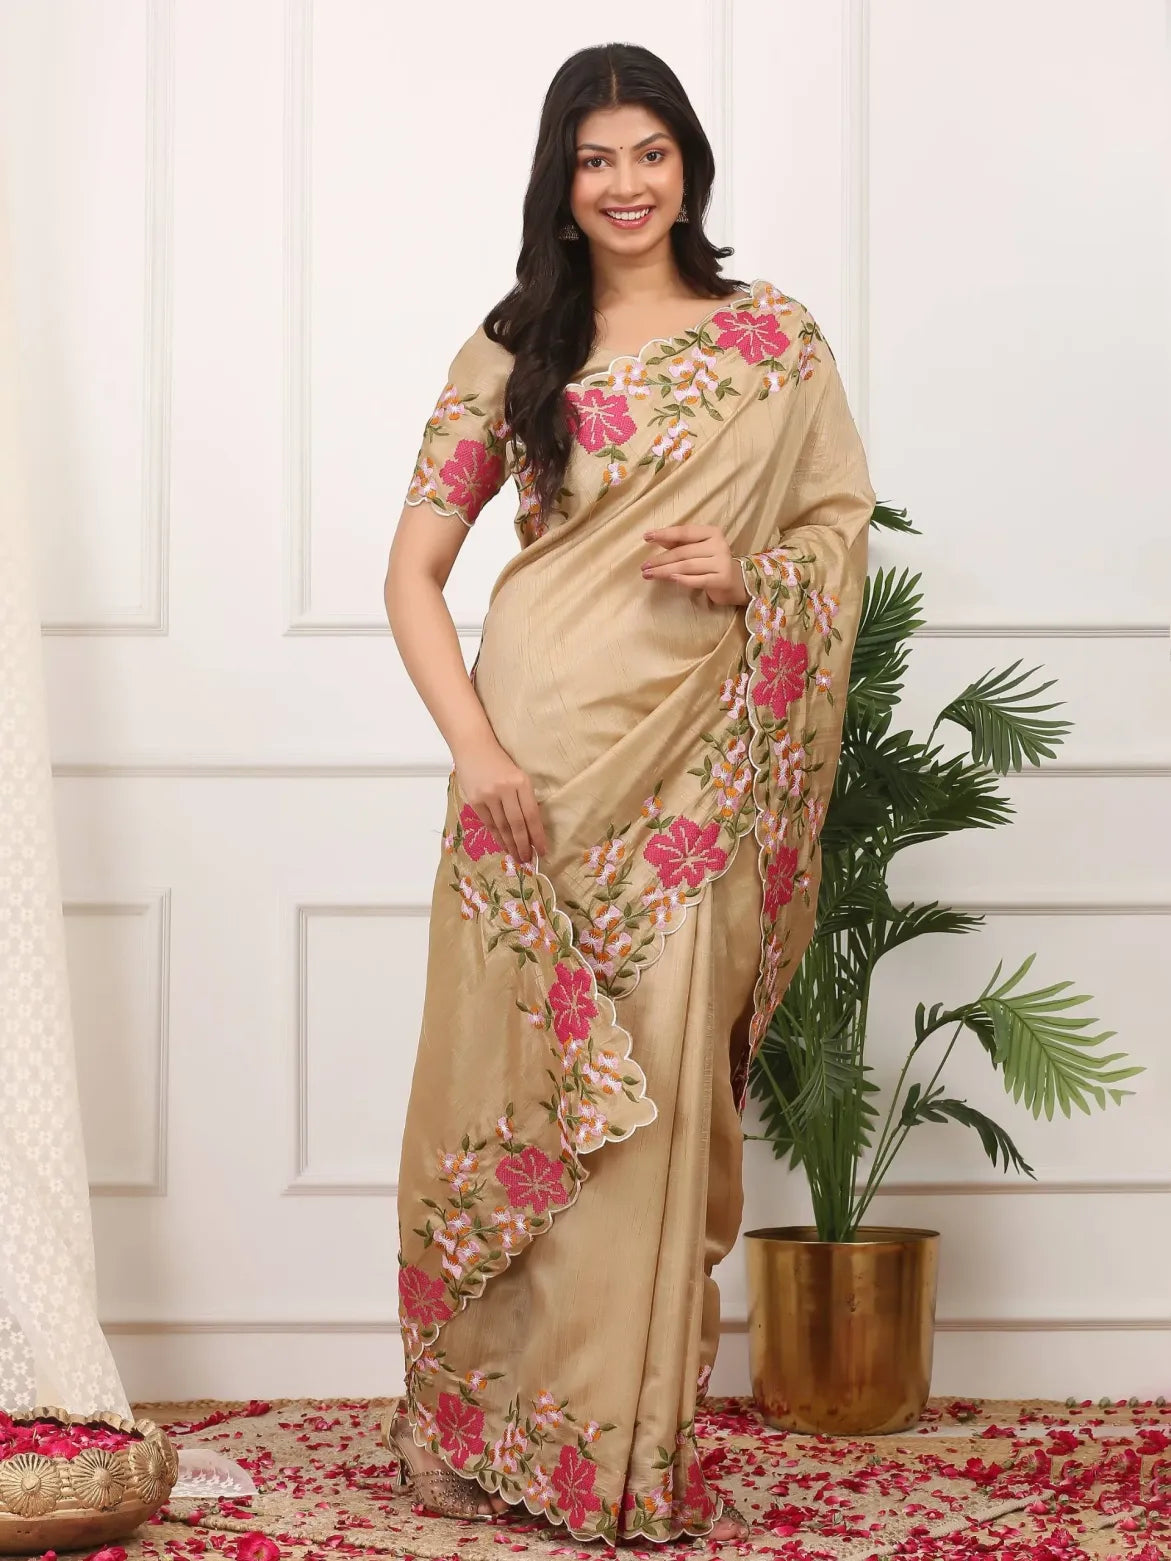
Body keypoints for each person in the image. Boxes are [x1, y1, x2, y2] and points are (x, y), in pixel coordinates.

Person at [381, 42, 875, 1546]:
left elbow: (837, 528)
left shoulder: (771, 342)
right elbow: (412, 575)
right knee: (516, 1091)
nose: (625, 183)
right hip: (532, 762)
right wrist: (478, 750)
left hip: (699, 770)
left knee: (651, 1109)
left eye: (649, 151)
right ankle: (492, 1425)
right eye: (596, 158)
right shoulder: (515, 344)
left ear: (690, 164)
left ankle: (621, 1450)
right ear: (561, 177)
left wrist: (757, 572)